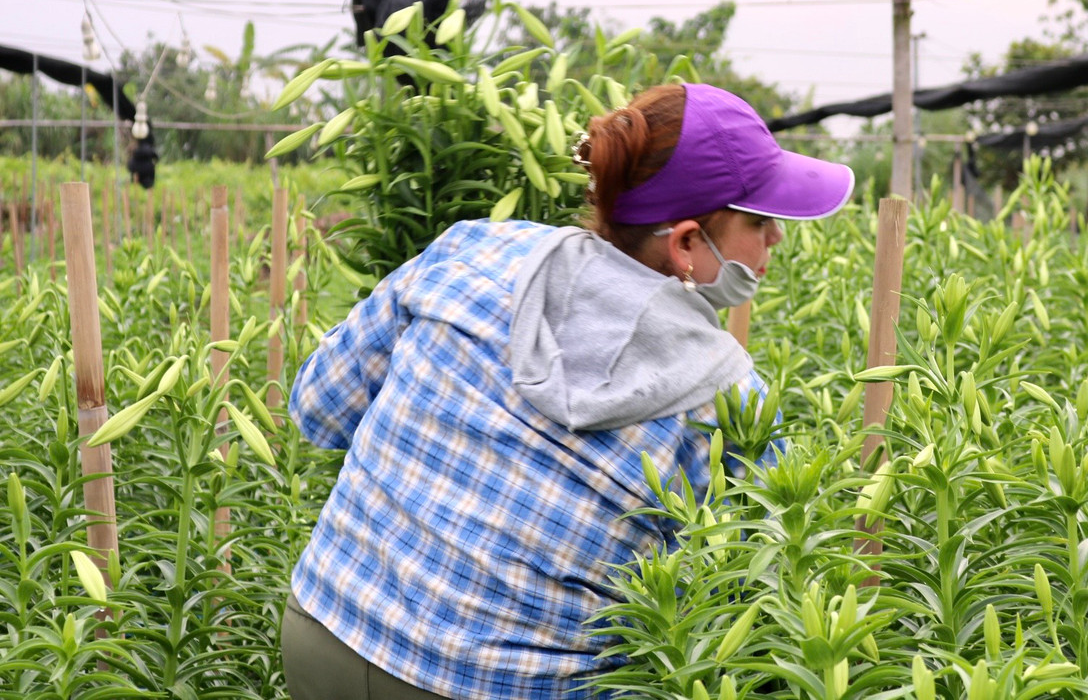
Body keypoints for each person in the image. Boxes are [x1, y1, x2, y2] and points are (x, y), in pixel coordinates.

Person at [280, 82, 855, 700]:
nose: (776, 240)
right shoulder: (728, 397)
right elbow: (745, 598)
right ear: (687, 242)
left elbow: (318, 408)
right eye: (760, 221)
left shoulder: (472, 250)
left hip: (325, 630)